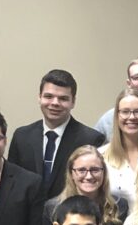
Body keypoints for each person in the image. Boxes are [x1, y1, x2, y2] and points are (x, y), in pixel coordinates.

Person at [8, 69, 105, 199]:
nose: (55, 103)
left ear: (73, 102)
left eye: (63, 98)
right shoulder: (22, 136)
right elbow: (13, 183)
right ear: (39, 97)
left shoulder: (91, 139)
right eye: (48, 96)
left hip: (71, 215)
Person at [42, 146, 126, 225]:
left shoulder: (118, 206)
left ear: (103, 173)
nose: (89, 176)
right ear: (71, 173)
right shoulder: (53, 208)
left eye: (95, 170)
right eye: (81, 170)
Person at [99, 89, 138, 206]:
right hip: (114, 223)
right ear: (117, 116)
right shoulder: (100, 157)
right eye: (125, 112)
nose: (132, 117)